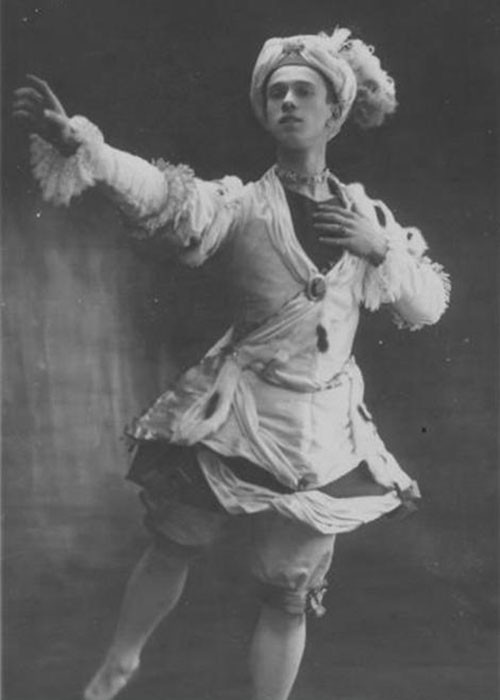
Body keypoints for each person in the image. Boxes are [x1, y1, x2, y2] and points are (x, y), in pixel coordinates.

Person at [13, 27, 450, 700]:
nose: (288, 101)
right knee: (174, 542)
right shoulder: (243, 205)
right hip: (237, 416)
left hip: (322, 434)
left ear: (335, 112)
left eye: (304, 91)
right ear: (264, 109)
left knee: (290, 591)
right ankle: (120, 662)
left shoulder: (368, 217)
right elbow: (166, 197)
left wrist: (379, 248)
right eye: (276, 92)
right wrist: (88, 149)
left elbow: (426, 307)